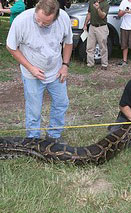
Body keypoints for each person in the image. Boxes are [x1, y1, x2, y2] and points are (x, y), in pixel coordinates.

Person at [6, 0, 73, 141]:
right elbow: (11, 46)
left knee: (61, 103)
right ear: (36, 9)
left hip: (56, 72)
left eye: (46, 23)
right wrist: (31, 68)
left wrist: (65, 65)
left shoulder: (64, 18)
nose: (41, 24)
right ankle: (33, 140)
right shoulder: (21, 20)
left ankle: (53, 136)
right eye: (38, 20)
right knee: (34, 110)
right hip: (32, 74)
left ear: (56, 17)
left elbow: (68, 42)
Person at [83, 0, 110, 69]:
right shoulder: (92, 1)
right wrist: (85, 24)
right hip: (92, 27)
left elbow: (103, 16)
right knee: (89, 47)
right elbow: (89, 13)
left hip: (102, 27)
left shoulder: (106, 4)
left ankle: (104, 65)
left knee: (103, 47)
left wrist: (98, 8)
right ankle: (90, 64)